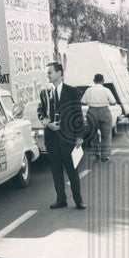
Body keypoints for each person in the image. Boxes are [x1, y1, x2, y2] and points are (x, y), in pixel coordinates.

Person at [37, 61, 86, 209]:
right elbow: (41, 111)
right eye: (47, 72)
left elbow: (77, 114)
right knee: (56, 170)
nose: (48, 75)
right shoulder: (44, 92)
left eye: (50, 72)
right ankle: (61, 199)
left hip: (68, 138)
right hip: (51, 139)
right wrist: (47, 123)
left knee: (72, 170)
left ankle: (78, 200)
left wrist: (79, 136)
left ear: (59, 73)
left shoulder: (72, 91)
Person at [81, 73, 117, 161]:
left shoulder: (89, 90)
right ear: (103, 81)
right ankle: (105, 155)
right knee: (106, 134)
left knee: (93, 134)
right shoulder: (106, 90)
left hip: (92, 111)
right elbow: (113, 102)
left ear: (94, 81)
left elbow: (82, 101)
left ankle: (96, 153)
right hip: (104, 111)